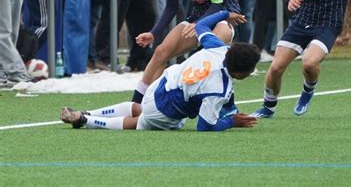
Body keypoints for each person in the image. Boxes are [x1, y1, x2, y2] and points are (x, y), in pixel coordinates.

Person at [60, 10, 260, 131]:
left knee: (140, 108)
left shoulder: (218, 47)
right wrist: (232, 122)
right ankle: (85, 120)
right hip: (166, 109)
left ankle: (89, 112)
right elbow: (205, 126)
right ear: (241, 73)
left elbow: (204, 24)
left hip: (159, 86)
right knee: (139, 121)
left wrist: (226, 14)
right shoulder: (219, 89)